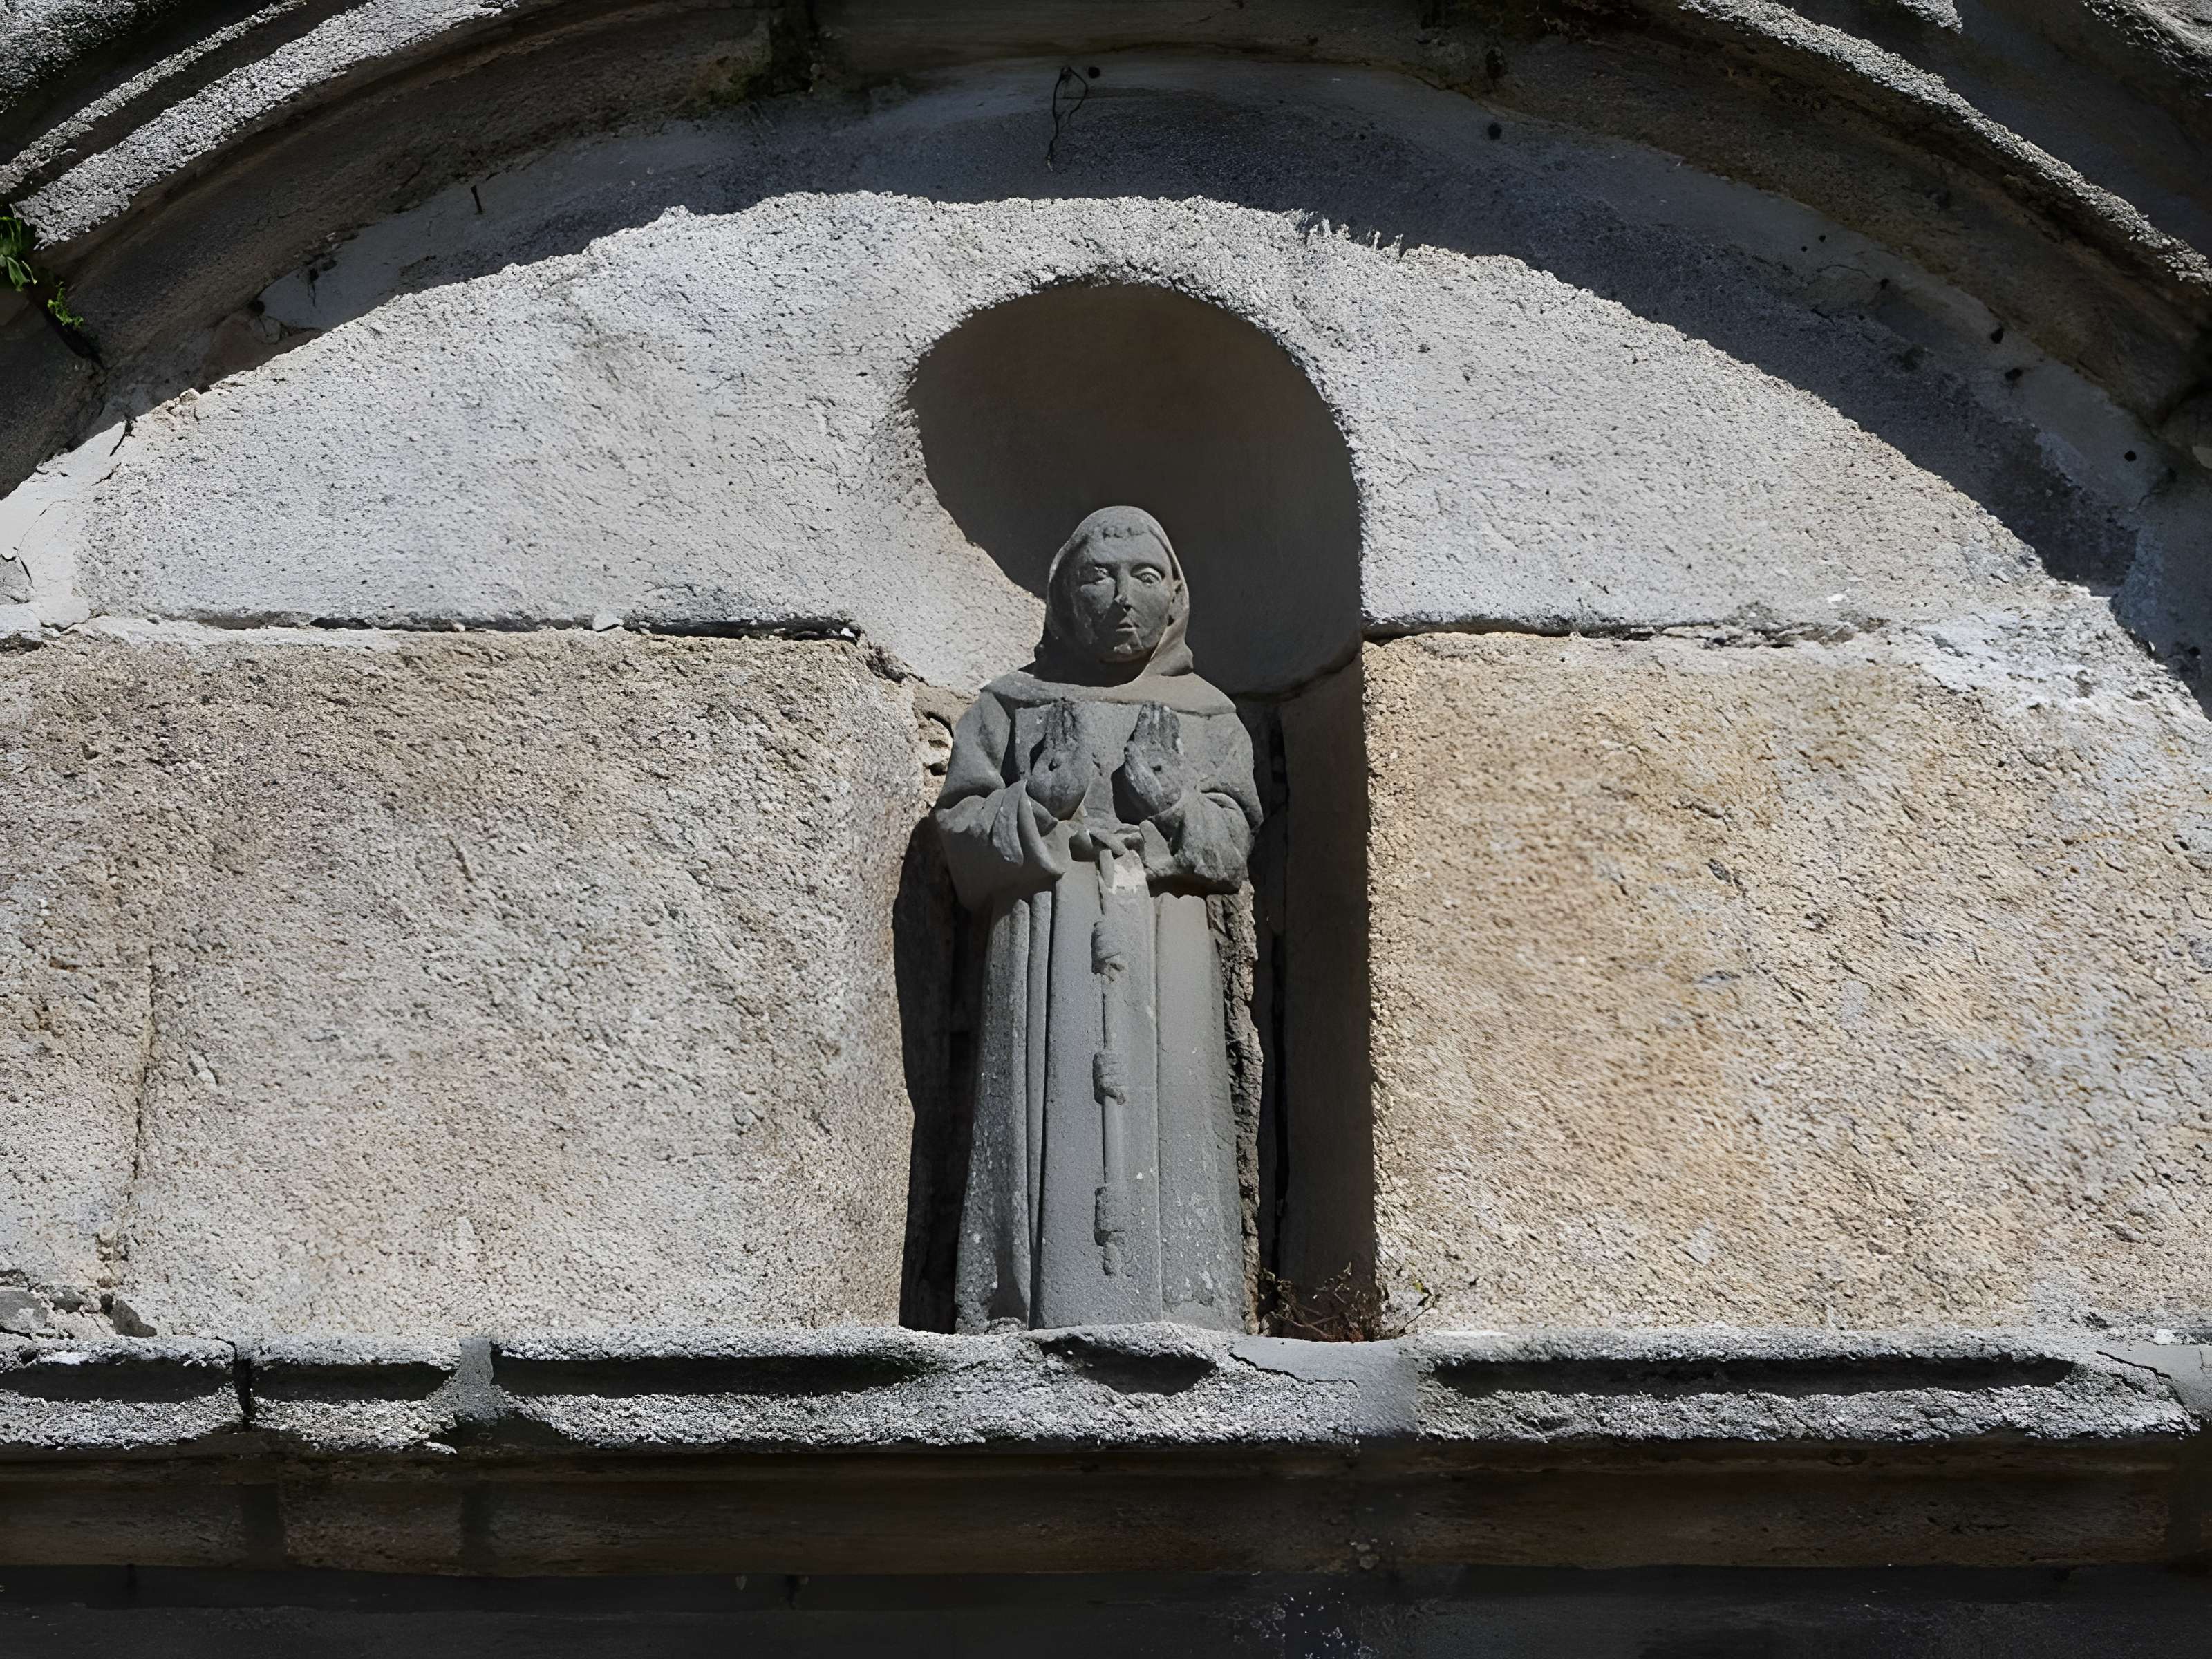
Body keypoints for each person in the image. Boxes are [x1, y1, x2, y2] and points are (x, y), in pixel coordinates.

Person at [935, 505, 1262, 1331]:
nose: (1122, 597)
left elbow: (1229, 847)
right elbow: (962, 840)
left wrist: (1173, 799)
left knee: (1176, 1099)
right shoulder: (1009, 707)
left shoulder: (1207, 715)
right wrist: (1037, 799)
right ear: (1060, 595)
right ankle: (1014, 1298)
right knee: (1034, 1105)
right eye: (1098, 576)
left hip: (1166, 946)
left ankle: (1190, 1300)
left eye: (1144, 576)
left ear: (1176, 594)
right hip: (1041, 937)